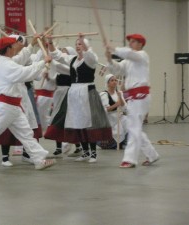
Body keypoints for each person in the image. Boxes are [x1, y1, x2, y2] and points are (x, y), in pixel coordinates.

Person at [0, 36, 56, 170]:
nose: (16, 47)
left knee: (26, 133)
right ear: (8, 48)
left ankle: (39, 159)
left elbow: (21, 58)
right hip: (5, 107)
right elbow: (25, 73)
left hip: (12, 107)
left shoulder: (7, 61)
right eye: (13, 45)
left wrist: (31, 45)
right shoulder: (7, 64)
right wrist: (42, 62)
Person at [47, 34, 112, 163]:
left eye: (80, 44)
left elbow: (90, 55)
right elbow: (57, 55)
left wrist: (84, 42)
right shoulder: (72, 59)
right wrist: (49, 42)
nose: (78, 46)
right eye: (76, 44)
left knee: (89, 123)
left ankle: (93, 153)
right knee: (77, 122)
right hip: (74, 92)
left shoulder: (90, 60)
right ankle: (85, 151)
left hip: (87, 92)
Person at [105, 33, 159, 168]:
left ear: (140, 44)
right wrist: (110, 59)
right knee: (134, 128)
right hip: (133, 98)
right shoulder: (128, 61)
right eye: (130, 41)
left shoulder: (142, 55)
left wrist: (114, 49)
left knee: (133, 127)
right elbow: (117, 69)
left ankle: (129, 159)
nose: (130, 43)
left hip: (141, 96)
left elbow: (129, 54)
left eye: (134, 41)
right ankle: (152, 155)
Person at [44, 47, 83, 157]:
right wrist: (48, 78)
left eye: (65, 52)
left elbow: (61, 67)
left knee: (68, 119)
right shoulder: (59, 68)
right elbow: (55, 81)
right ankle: (58, 147)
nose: (62, 54)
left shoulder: (71, 67)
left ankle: (78, 145)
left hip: (69, 94)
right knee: (58, 119)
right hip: (59, 94)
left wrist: (52, 61)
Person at [98, 74, 127, 149]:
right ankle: (116, 143)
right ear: (107, 83)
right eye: (112, 80)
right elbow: (105, 110)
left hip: (119, 117)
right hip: (110, 119)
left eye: (115, 80)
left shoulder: (119, 93)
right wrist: (116, 105)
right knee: (117, 133)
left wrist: (120, 97)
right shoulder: (104, 94)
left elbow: (125, 108)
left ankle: (125, 143)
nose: (114, 82)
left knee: (129, 123)